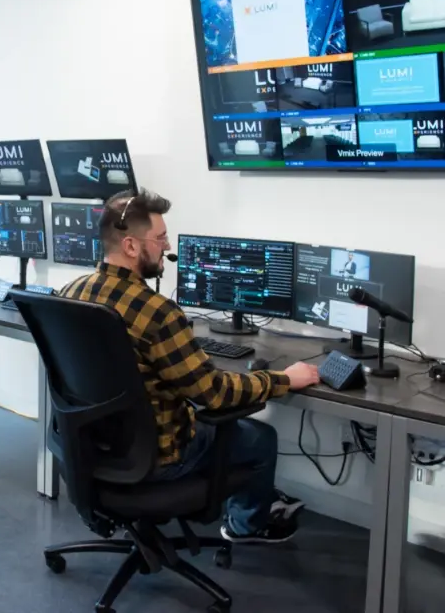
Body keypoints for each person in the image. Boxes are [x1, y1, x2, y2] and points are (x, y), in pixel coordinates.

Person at [61, 188, 320, 544]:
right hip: (159, 456)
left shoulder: (70, 293)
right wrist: (283, 379)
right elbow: (214, 394)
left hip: (92, 446)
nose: (167, 248)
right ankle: (246, 526)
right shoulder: (159, 313)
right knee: (260, 437)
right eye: (161, 238)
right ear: (132, 246)